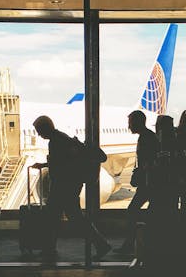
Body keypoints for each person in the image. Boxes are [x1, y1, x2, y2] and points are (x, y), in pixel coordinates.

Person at [32, 115, 112, 260]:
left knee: (57, 217)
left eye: (39, 130)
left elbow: (62, 164)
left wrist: (48, 167)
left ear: (45, 128)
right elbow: (64, 161)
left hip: (63, 186)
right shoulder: (61, 138)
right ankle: (100, 244)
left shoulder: (56, 141)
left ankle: (100, 244)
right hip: (69, 185)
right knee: (68, 217)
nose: (38, 134)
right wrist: (44, 165)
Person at [115, 109, 159, 254]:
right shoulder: (147, 136)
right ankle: (142, 244)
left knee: (132, 211)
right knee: (145, 213)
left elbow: (150, 162)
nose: (129, 127)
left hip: (149, 183)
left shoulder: (147, 138)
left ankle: (132, 245)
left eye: (130, 123)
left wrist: (142, 174)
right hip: (148, 183)